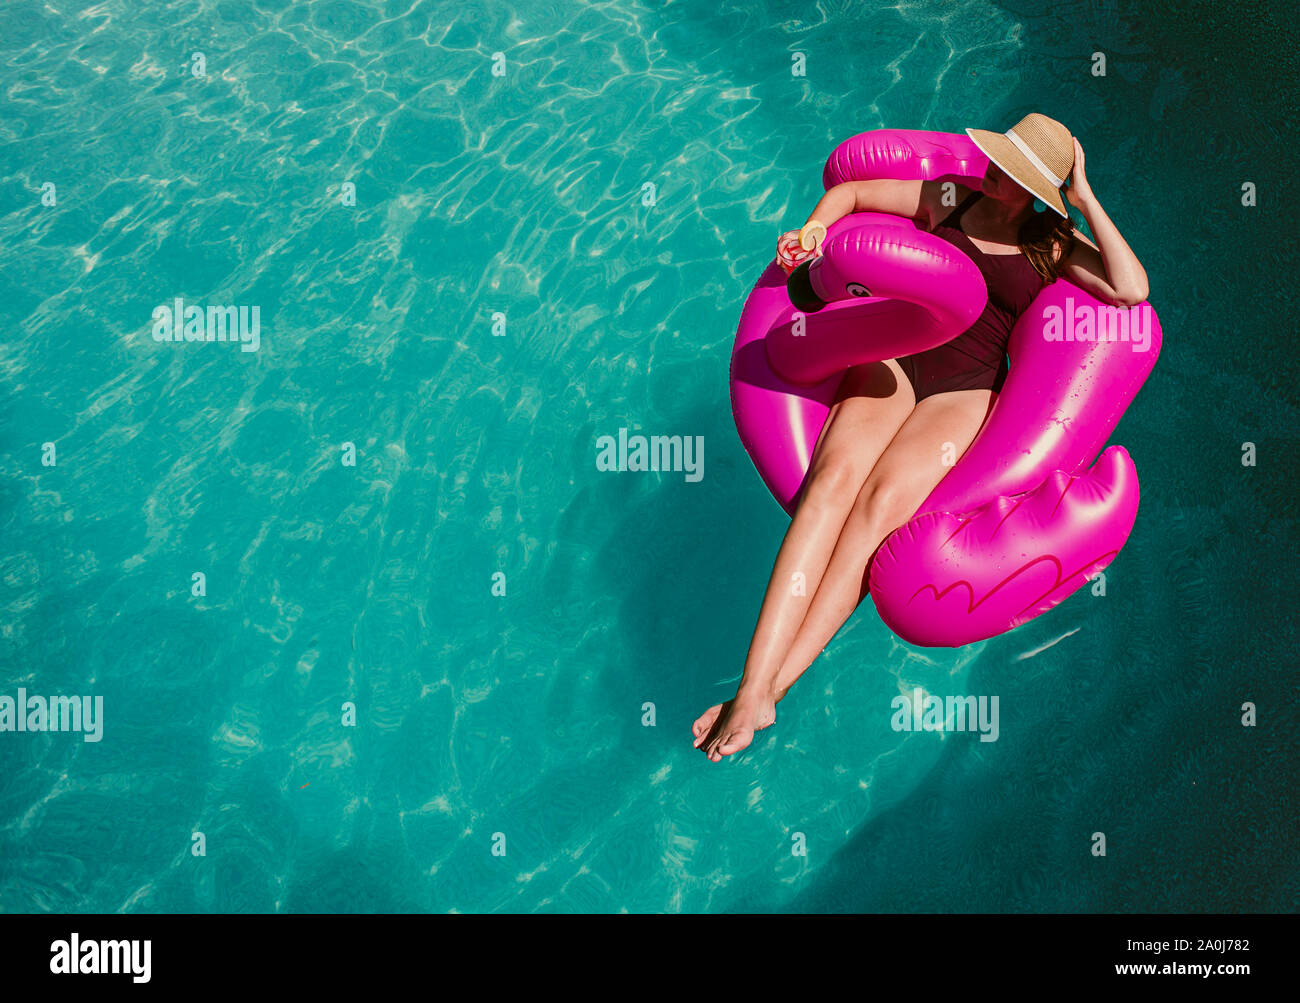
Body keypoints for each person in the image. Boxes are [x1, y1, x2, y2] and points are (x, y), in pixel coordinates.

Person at [694, 113, 1149, 762]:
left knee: (878, 512)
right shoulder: (950, 196)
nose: (992, 171)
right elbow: (855, 193)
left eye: (1013, 172)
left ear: (1038, 192)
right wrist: (816, 229)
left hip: (963, 390)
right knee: (831, 486)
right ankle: (750, 680)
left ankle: (771, 690)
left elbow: (1132, 289)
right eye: (999, 158)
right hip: (897, 356)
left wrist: (1085, 195)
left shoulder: (1054, 244)